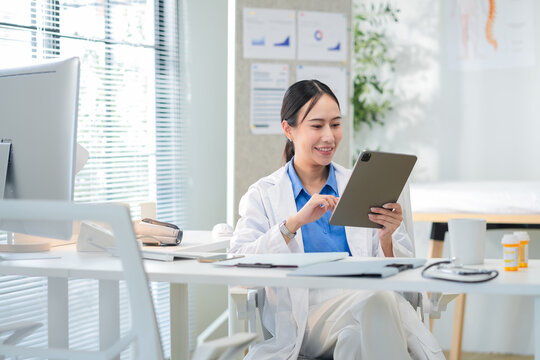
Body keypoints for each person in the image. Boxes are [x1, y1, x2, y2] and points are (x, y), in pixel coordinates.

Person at [229, 80, 444, 360]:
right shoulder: (263, 194)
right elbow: (237, 262)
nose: (329, 137)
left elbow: (402, 278)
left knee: (355, 340)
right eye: (317, 126)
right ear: (288, 130)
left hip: (365, 310)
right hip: (306, 318)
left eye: (335, 124)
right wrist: (292, 224)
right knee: (378, 299)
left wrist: (386, 239)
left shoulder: (359, 185)